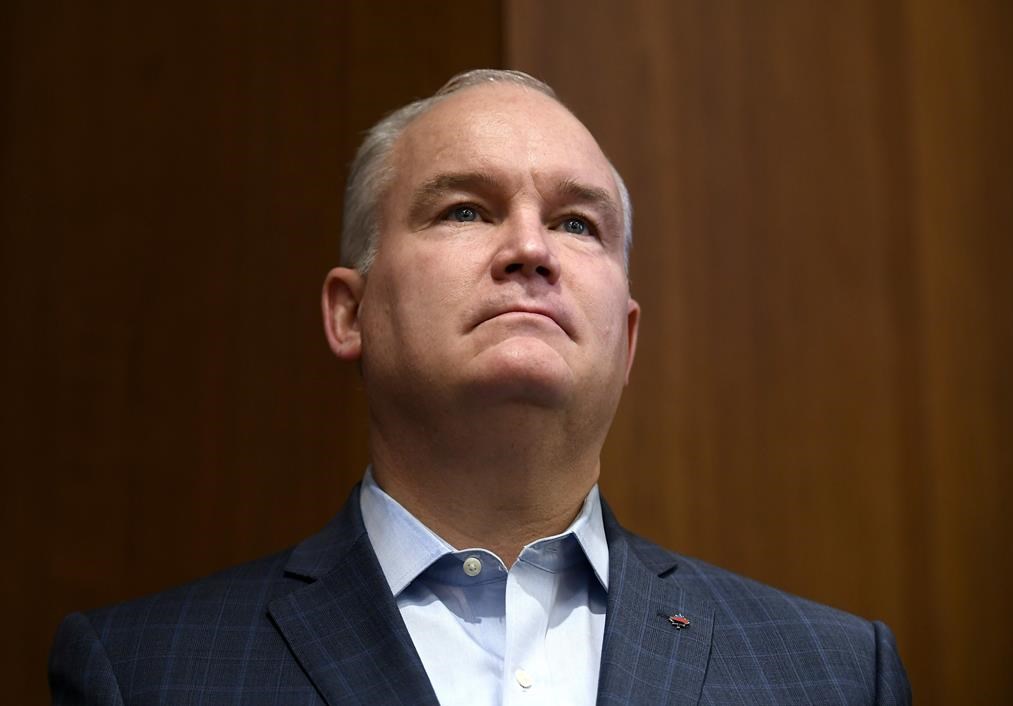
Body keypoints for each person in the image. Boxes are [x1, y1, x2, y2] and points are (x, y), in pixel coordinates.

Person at [49, 69, 911, 705]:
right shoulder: (144, 673)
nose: (531, 250)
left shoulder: (836, 674)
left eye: (577, 224)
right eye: (464, 209)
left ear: (628, 338)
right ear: (351, 314)